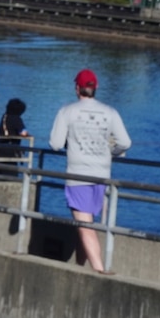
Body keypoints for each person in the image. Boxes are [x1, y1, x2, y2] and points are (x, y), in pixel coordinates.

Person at [49, 68, 131, 274]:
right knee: (87, 223)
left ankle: (100, 273)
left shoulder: (67, 111)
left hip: (78, 175)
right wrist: (109, 152)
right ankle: (80, 268)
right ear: (96, 88)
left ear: (77, 88)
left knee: (85, 226)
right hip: (102, 175)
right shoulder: (110, 112)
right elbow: (125, 143)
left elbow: (56, 144)